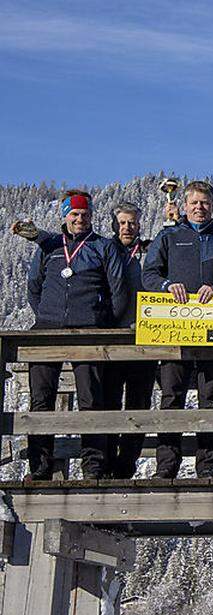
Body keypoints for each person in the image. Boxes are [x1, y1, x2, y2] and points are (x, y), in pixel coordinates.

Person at [142, 180, 213, 478]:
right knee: (171, 398)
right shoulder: (169, 236)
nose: (199, 208)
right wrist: (165, 285)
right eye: (194, 203)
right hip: (174, 330)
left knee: (211, 398)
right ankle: (166, 467)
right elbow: (149, 274)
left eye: (205, 203)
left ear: (212, 206)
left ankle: (208, 468)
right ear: (185, 206)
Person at [26, 190, 129, 479]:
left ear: (92, 216)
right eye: (74, 214)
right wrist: (47, 316)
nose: (80, 219)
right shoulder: (49, 247)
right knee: (41, 400)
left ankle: (93, 468)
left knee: (91, 400)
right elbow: (34, 286)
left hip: (90, 333)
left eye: (85, 214)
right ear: (65, 216)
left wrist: (100, 322)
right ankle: (40, 467)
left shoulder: (103, 246)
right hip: (47, 333)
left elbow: (118, 292)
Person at [102, 203, 155, 478]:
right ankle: (107, 463)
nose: (127, 228)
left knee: (139, 406)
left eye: (132, 223)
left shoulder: (149, 251)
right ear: (114, 224)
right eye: (122, 223)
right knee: (108, 404)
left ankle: (127, 465)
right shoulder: (105, 250)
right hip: (112, 341)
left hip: (146, 340)